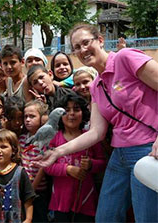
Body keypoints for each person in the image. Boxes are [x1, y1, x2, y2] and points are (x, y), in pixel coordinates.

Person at [34, 23, 158, 222]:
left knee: (146, 218)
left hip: (147, 150)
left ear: (100, 41)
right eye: (76, 47)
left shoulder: (126, 59)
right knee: (105, 217)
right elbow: (96, 132)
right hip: (120, 154)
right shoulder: (96, 86)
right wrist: (57, 152)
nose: (82, 50)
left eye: (86, 42)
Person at [43, 94, 106, 222]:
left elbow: (103, 162)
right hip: (60, 201)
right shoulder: (53, 138)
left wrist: (91, 165)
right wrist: (68, 169)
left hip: (86, 200)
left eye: (76, 109)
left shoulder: (91, 138)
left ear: (83, 113)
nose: (71, 113)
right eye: (66, 110)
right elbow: (47, 166)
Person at [0, 129, 35, 223]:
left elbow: (28, 198)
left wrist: (28, 219)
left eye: (3, 147)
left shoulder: (20, 172)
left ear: (13, 150)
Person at [19, 100, 50, 223]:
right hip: (23, 189)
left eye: (32, 116)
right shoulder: (22, 139)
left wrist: (31, 189)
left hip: (39, 191)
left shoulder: (45, 140)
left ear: (41, 118)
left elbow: (43, 168)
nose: (27, 120)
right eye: (25, 116)